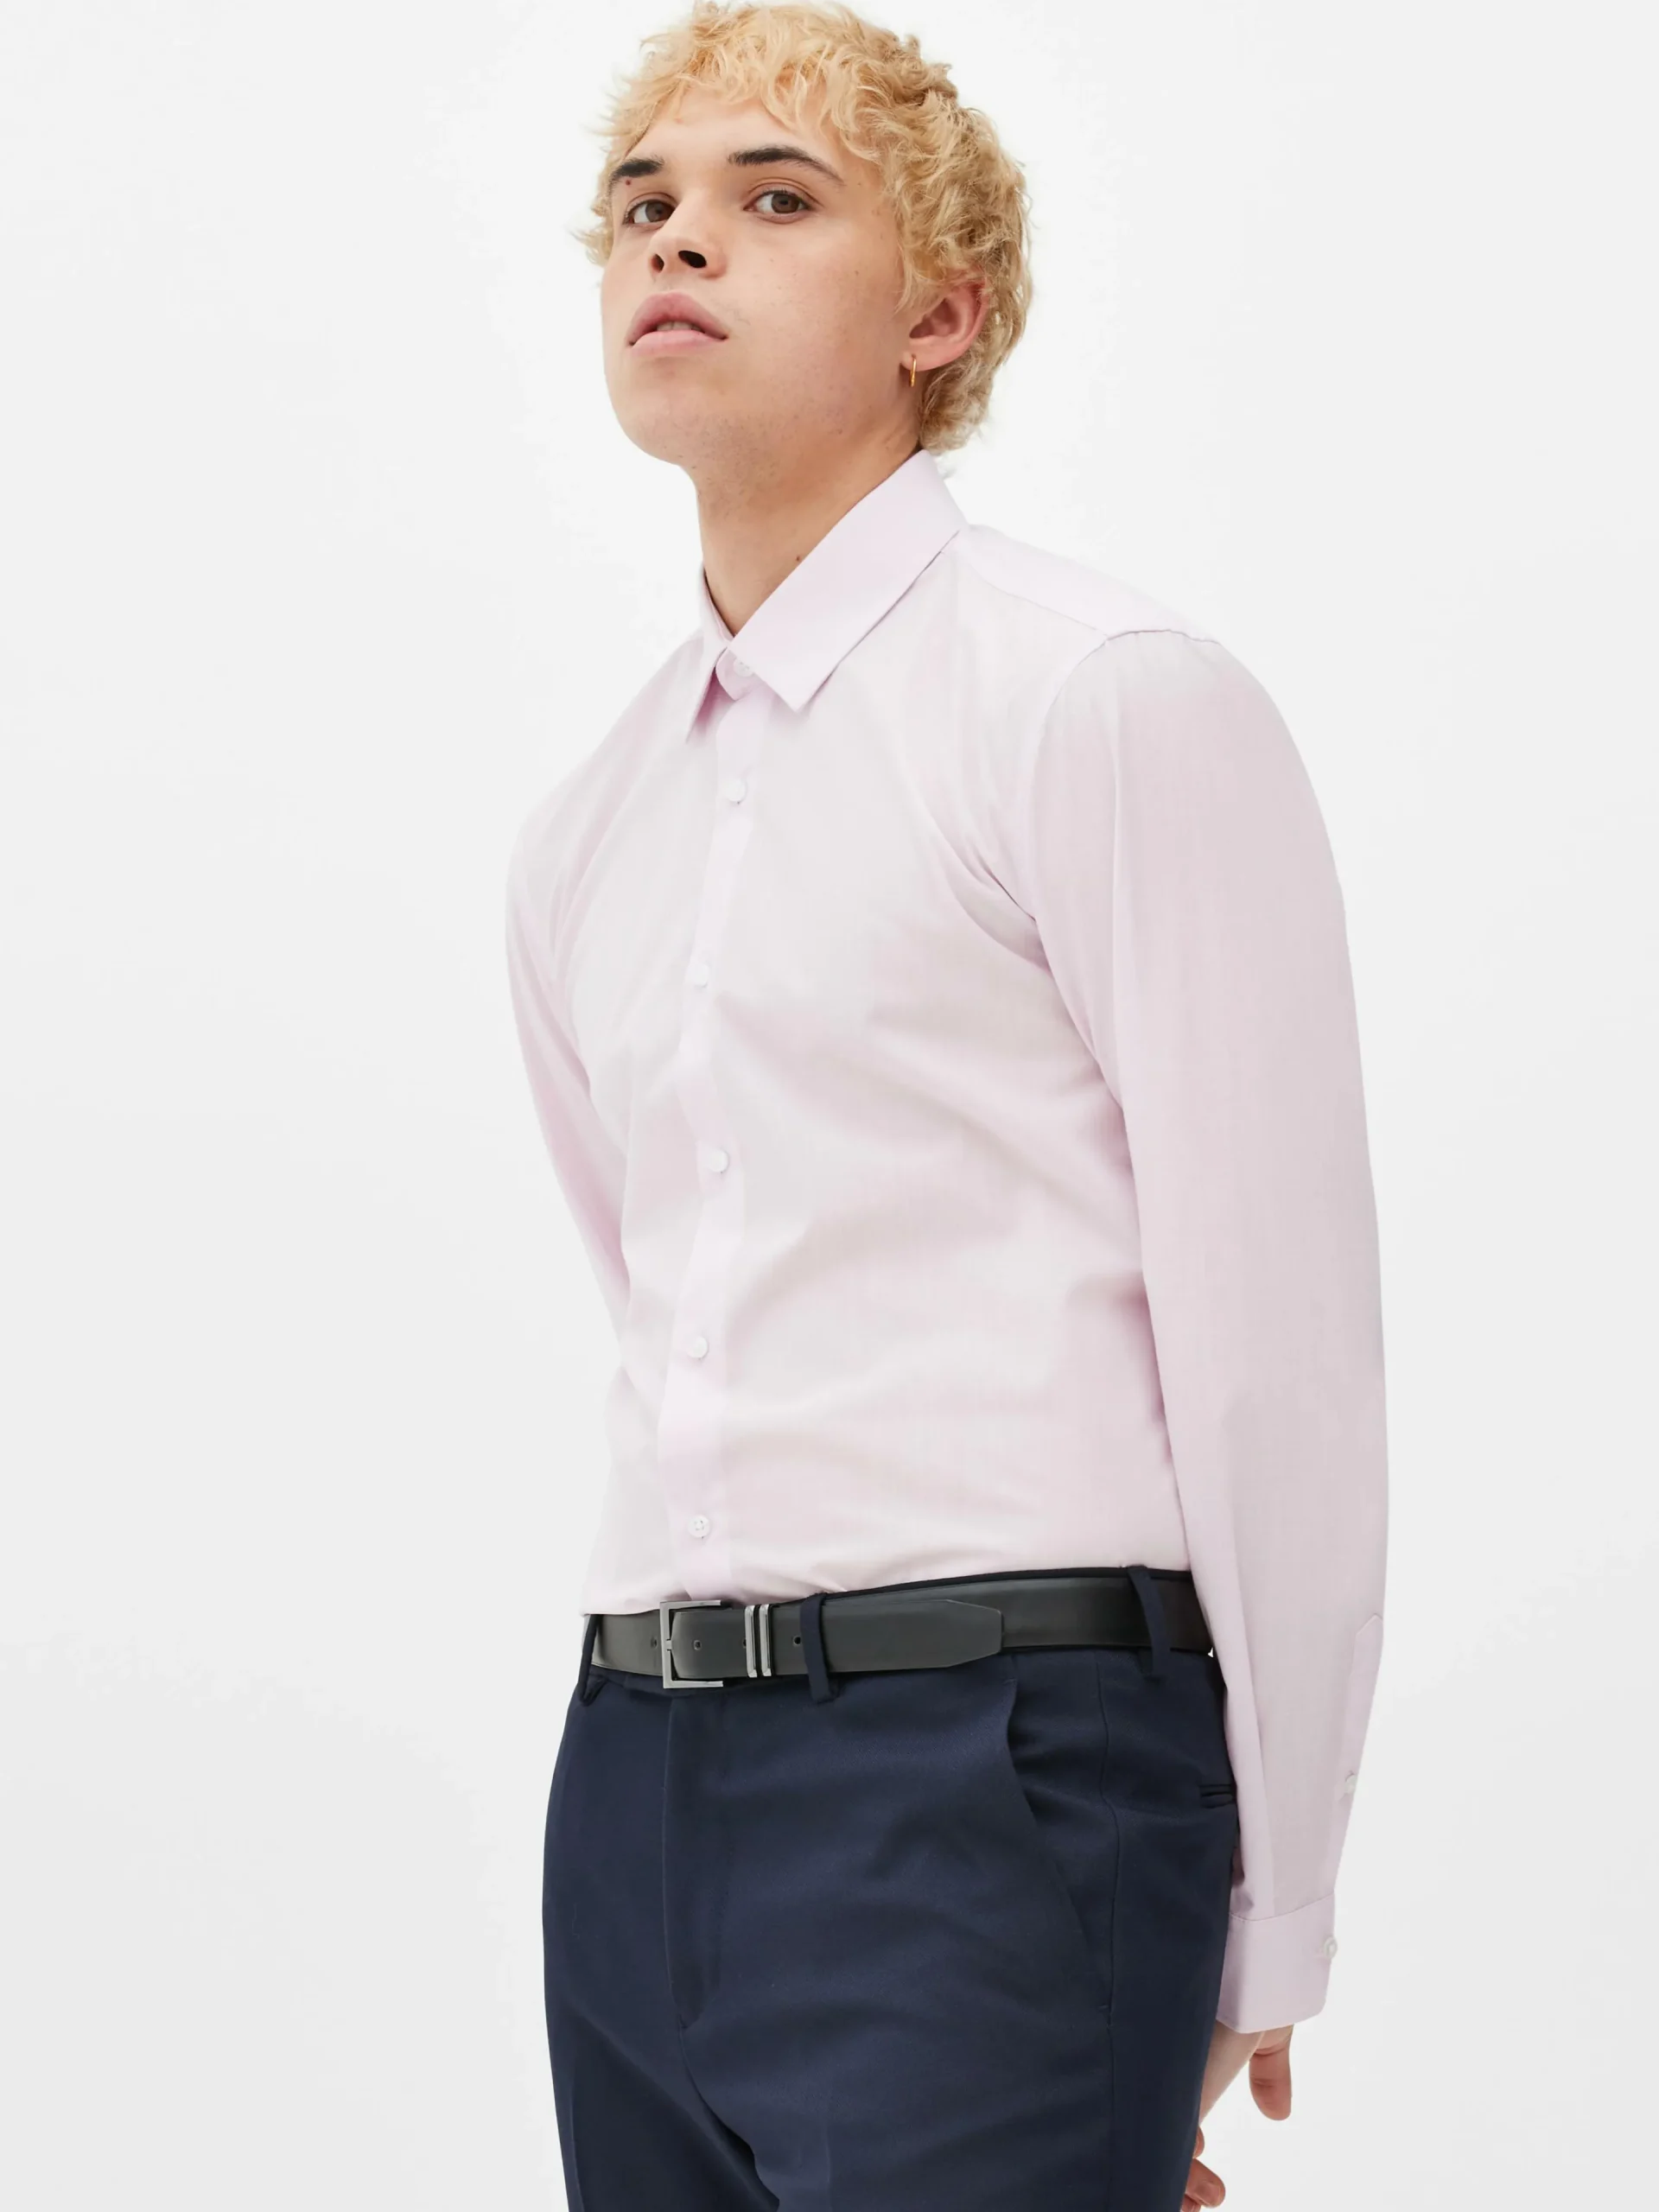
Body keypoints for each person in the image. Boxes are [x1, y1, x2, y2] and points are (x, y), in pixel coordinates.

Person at [503, 5, 1388, 2207]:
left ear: (941, 314)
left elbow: (1275, 1347)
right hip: (634, 1784)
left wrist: (1265, 1910)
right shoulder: (588, 833)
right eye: (642, 201)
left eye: (773, 197)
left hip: (996, 1769)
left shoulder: (1101, 705)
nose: (675, 237)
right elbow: (670, 1291)